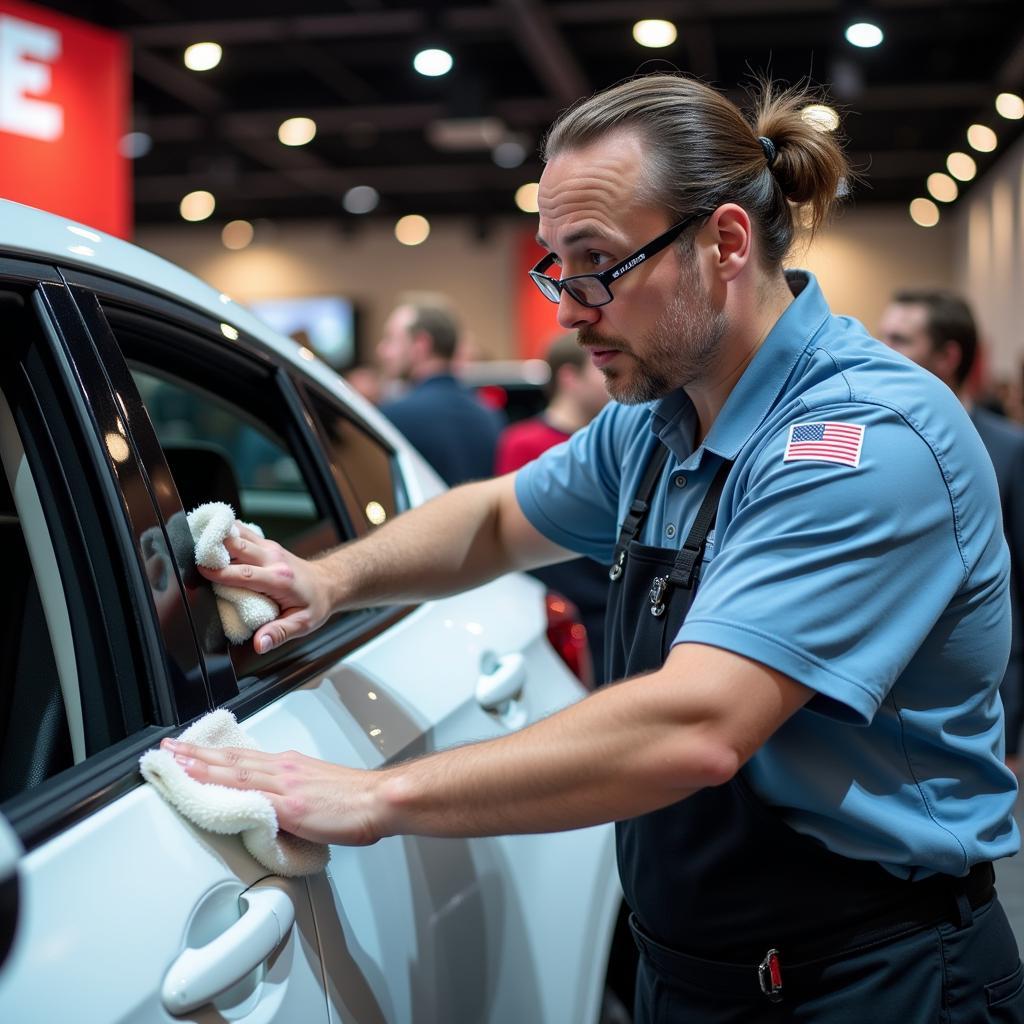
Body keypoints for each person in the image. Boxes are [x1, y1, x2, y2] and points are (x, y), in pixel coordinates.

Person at [163, 74, 1022, 1022]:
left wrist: (379, 796)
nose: (568, 312)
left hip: (870, 976)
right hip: (701, 963)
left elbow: (696, 725)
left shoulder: (860, 439)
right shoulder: (663, 417)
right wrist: (328, 578)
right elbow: (494, 519)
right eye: (554, 266)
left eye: (597, 264)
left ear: (725, 242)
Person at [879, 290, 1024, 771]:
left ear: (948, 355)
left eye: (900, 338)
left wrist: (1015, 724)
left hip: (986, 710)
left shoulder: (1009, 450)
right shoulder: (880, 442)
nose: (881, 349)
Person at [496, 334, 612, 683]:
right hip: (563, 613)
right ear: (568, 377)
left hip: (608, 609)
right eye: (597, 367)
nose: (608, 377)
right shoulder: (525, 442)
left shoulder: (610, 442)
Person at [375, 301, 503, 486]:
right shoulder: (490, 414)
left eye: (391, 339)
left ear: (421, 344)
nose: (382, 350)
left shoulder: (393, 416)